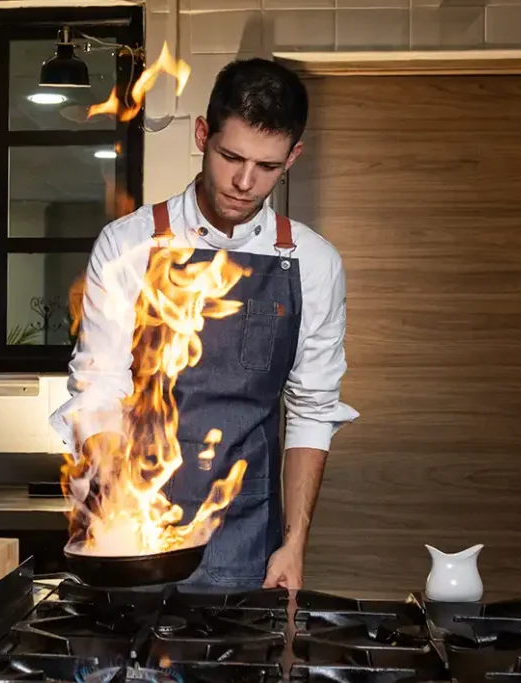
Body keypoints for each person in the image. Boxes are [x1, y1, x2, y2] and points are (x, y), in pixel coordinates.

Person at [49, 58, 359, 591]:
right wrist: (115, 510)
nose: (244, 182)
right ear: (202, 135)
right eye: (230, 156)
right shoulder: (129, 246)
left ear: (293, 157)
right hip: (135, 533)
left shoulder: (314, 262)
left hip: (247, 542)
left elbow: (312, 410)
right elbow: (98, 387)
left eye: (267, 166)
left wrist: (294, 545)